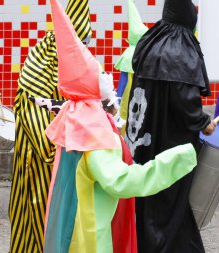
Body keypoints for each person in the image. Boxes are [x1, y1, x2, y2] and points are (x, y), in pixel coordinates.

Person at [43, 1, 199, 252]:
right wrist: (175, 160)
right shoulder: (92, 132)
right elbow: (120, 181)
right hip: (92, 237)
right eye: (98, 72)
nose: (106, 75)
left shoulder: (74, 118)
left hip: (73, 227)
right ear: (88, 85)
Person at [125, 0, 216, 251]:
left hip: (143, 140)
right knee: (168, 201)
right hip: (169, 145)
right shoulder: (177, 50)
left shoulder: (151, 43)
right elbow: (183, 97)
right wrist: (202, 122)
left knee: (148, 197)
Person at [8, 0, 92, 251]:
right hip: (38, 171)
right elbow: (46, 142)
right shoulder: (37, 76)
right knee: (36, 227)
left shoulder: (56, 64)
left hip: (57, 170)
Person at [114, 0, 148, 135]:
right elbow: (123, 81)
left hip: (130, 97)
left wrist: (117, 99)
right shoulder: (141, 53)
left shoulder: (130, 55)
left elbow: (121, 83)